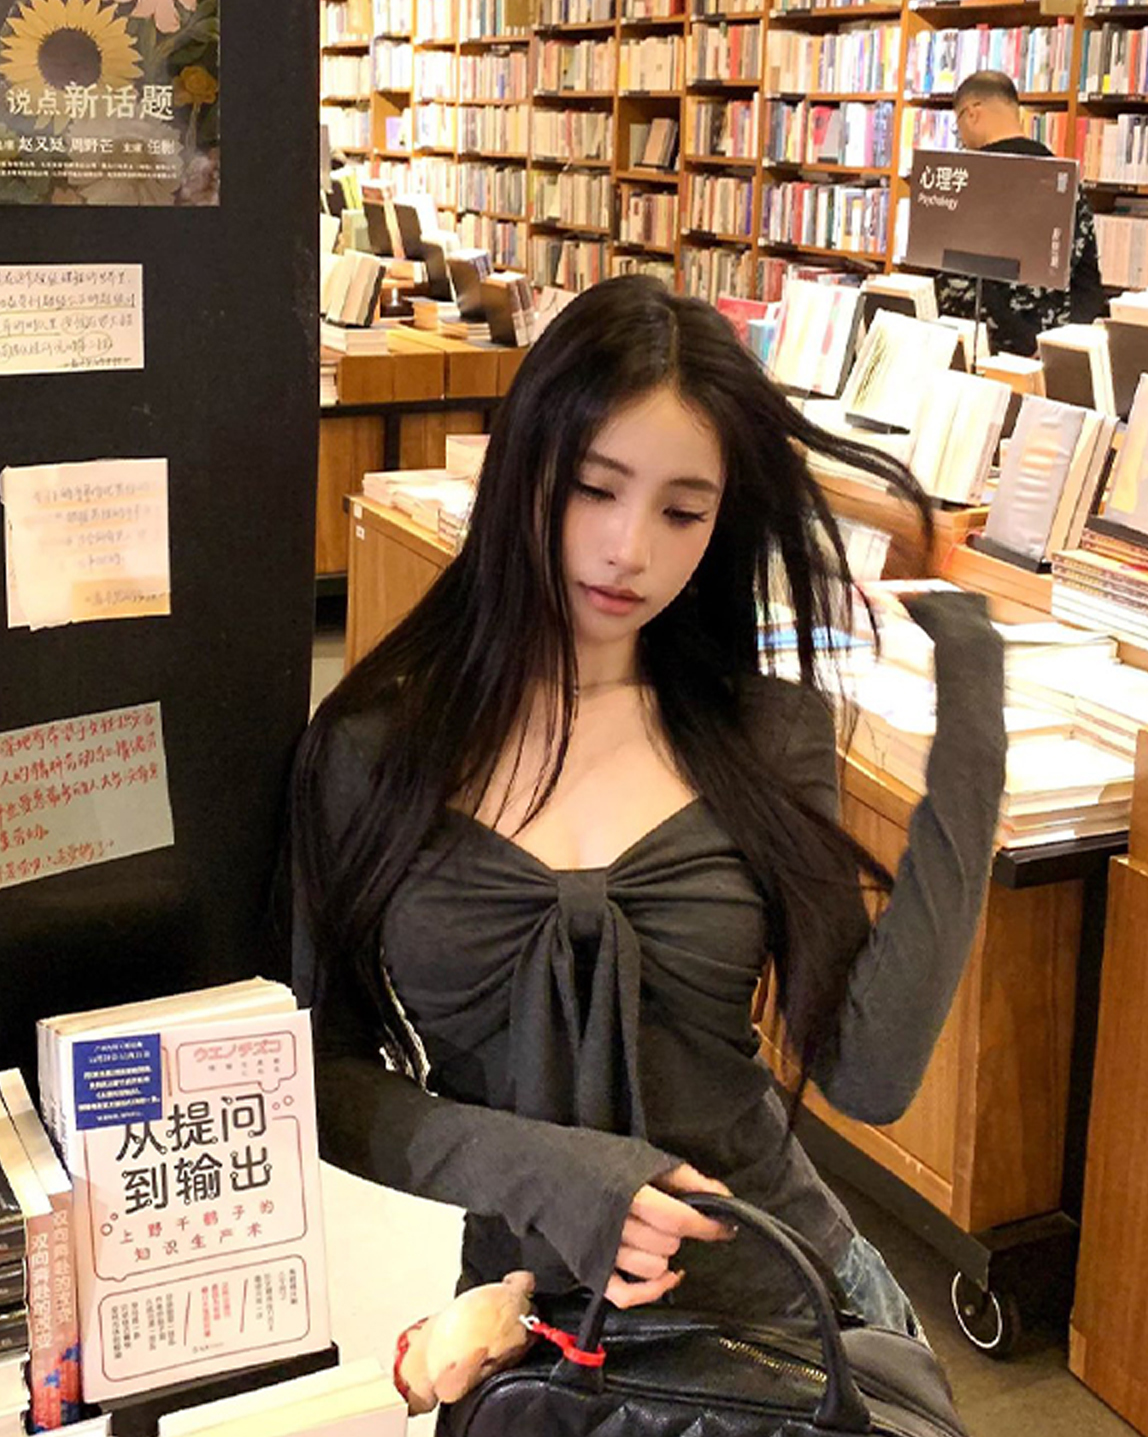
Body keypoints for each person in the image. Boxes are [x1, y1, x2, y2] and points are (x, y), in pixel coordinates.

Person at [285, 275, 1005, 1350]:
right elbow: (320, 1081)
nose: (630, 550)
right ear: (525, 471)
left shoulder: (765, 732)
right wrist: (557, 1173)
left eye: (682, 511)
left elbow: (868, 1070)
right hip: (527, 1331)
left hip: (784, 1323)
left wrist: (974, 734)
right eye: (594, 489)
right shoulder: (372, 751)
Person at [935, 70, 1106, 356]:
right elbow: (1087, 279)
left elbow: (960, 282)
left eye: (958, 123)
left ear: (973, 113)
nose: (961, 136)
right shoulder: (1062, 178)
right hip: (1050, 350)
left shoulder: (965, 181)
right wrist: (1053, 346)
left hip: (983, 348)